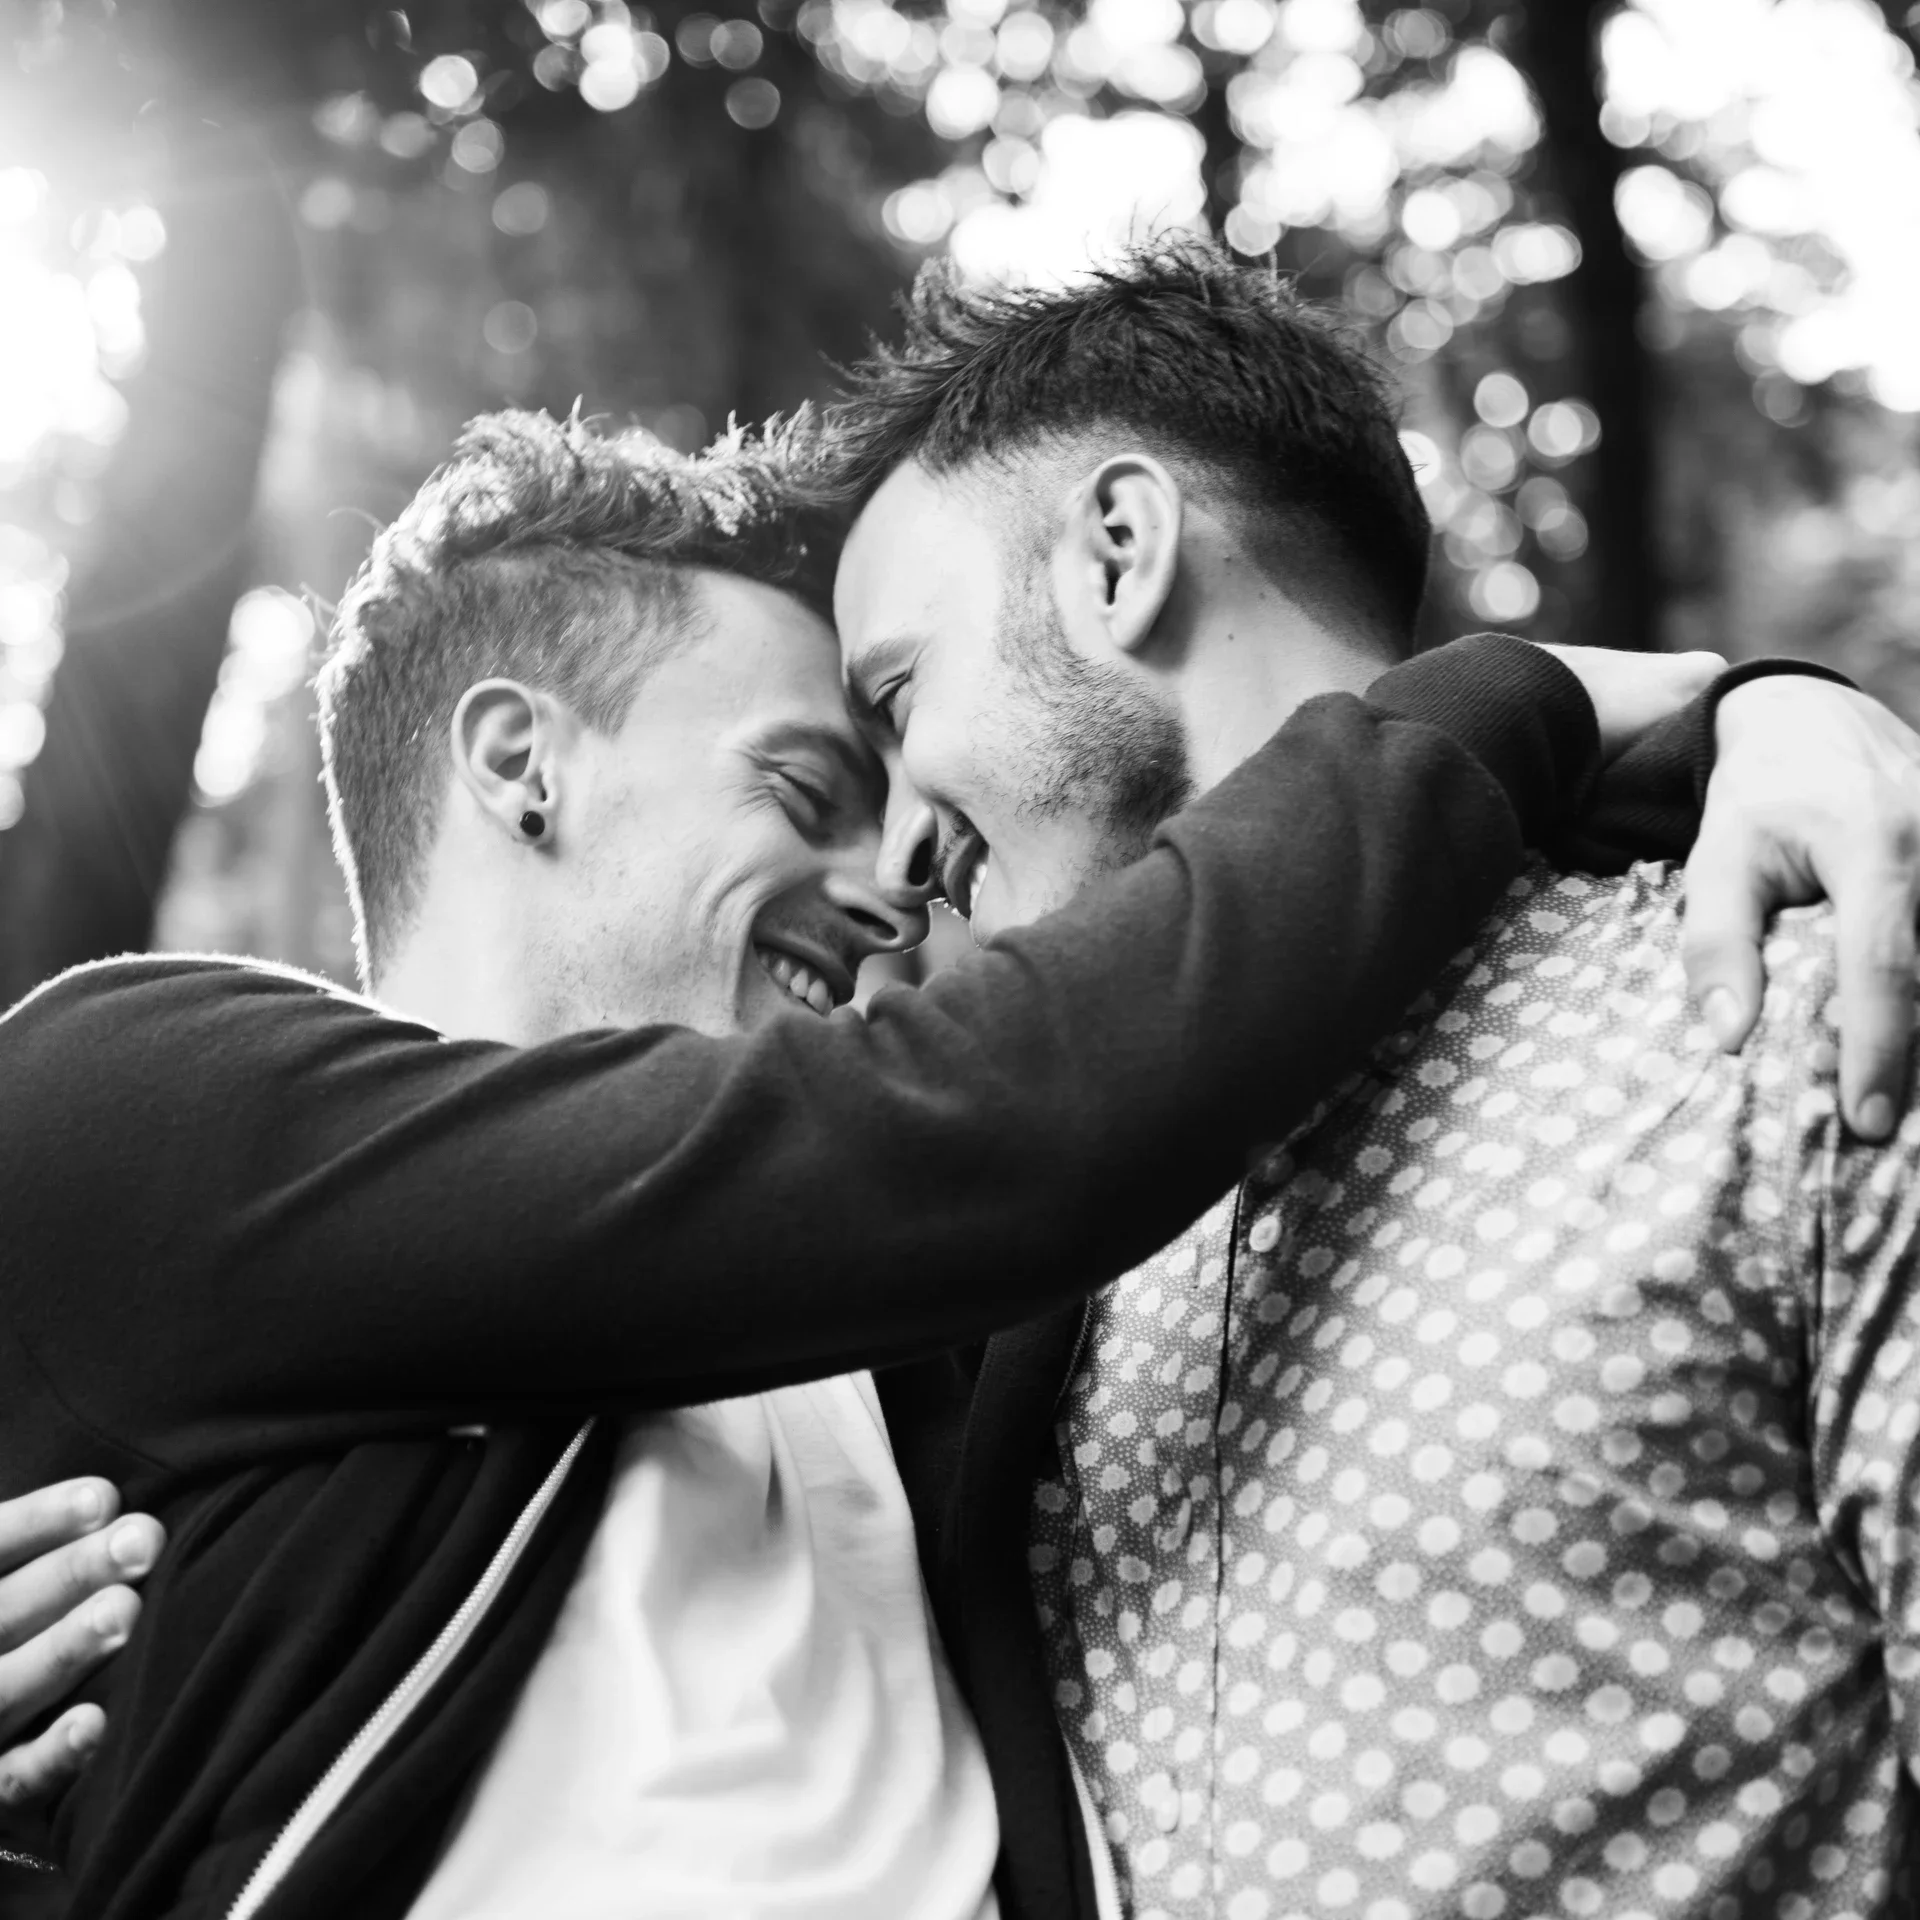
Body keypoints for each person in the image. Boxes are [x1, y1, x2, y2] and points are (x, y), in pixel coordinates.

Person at [4, 403, 1918, 1916]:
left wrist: (1767, 717)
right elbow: (1013, 1111)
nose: (891, 880)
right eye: (804, 787)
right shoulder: (139, 1107)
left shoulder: (937, 1342)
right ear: (522, 765)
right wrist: (1523, 697)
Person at [823, 240, 1920, 1918]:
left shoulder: (1780, 1017)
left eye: (901, 698)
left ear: (1118, 554)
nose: (898, 849)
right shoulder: (1050, 1241)